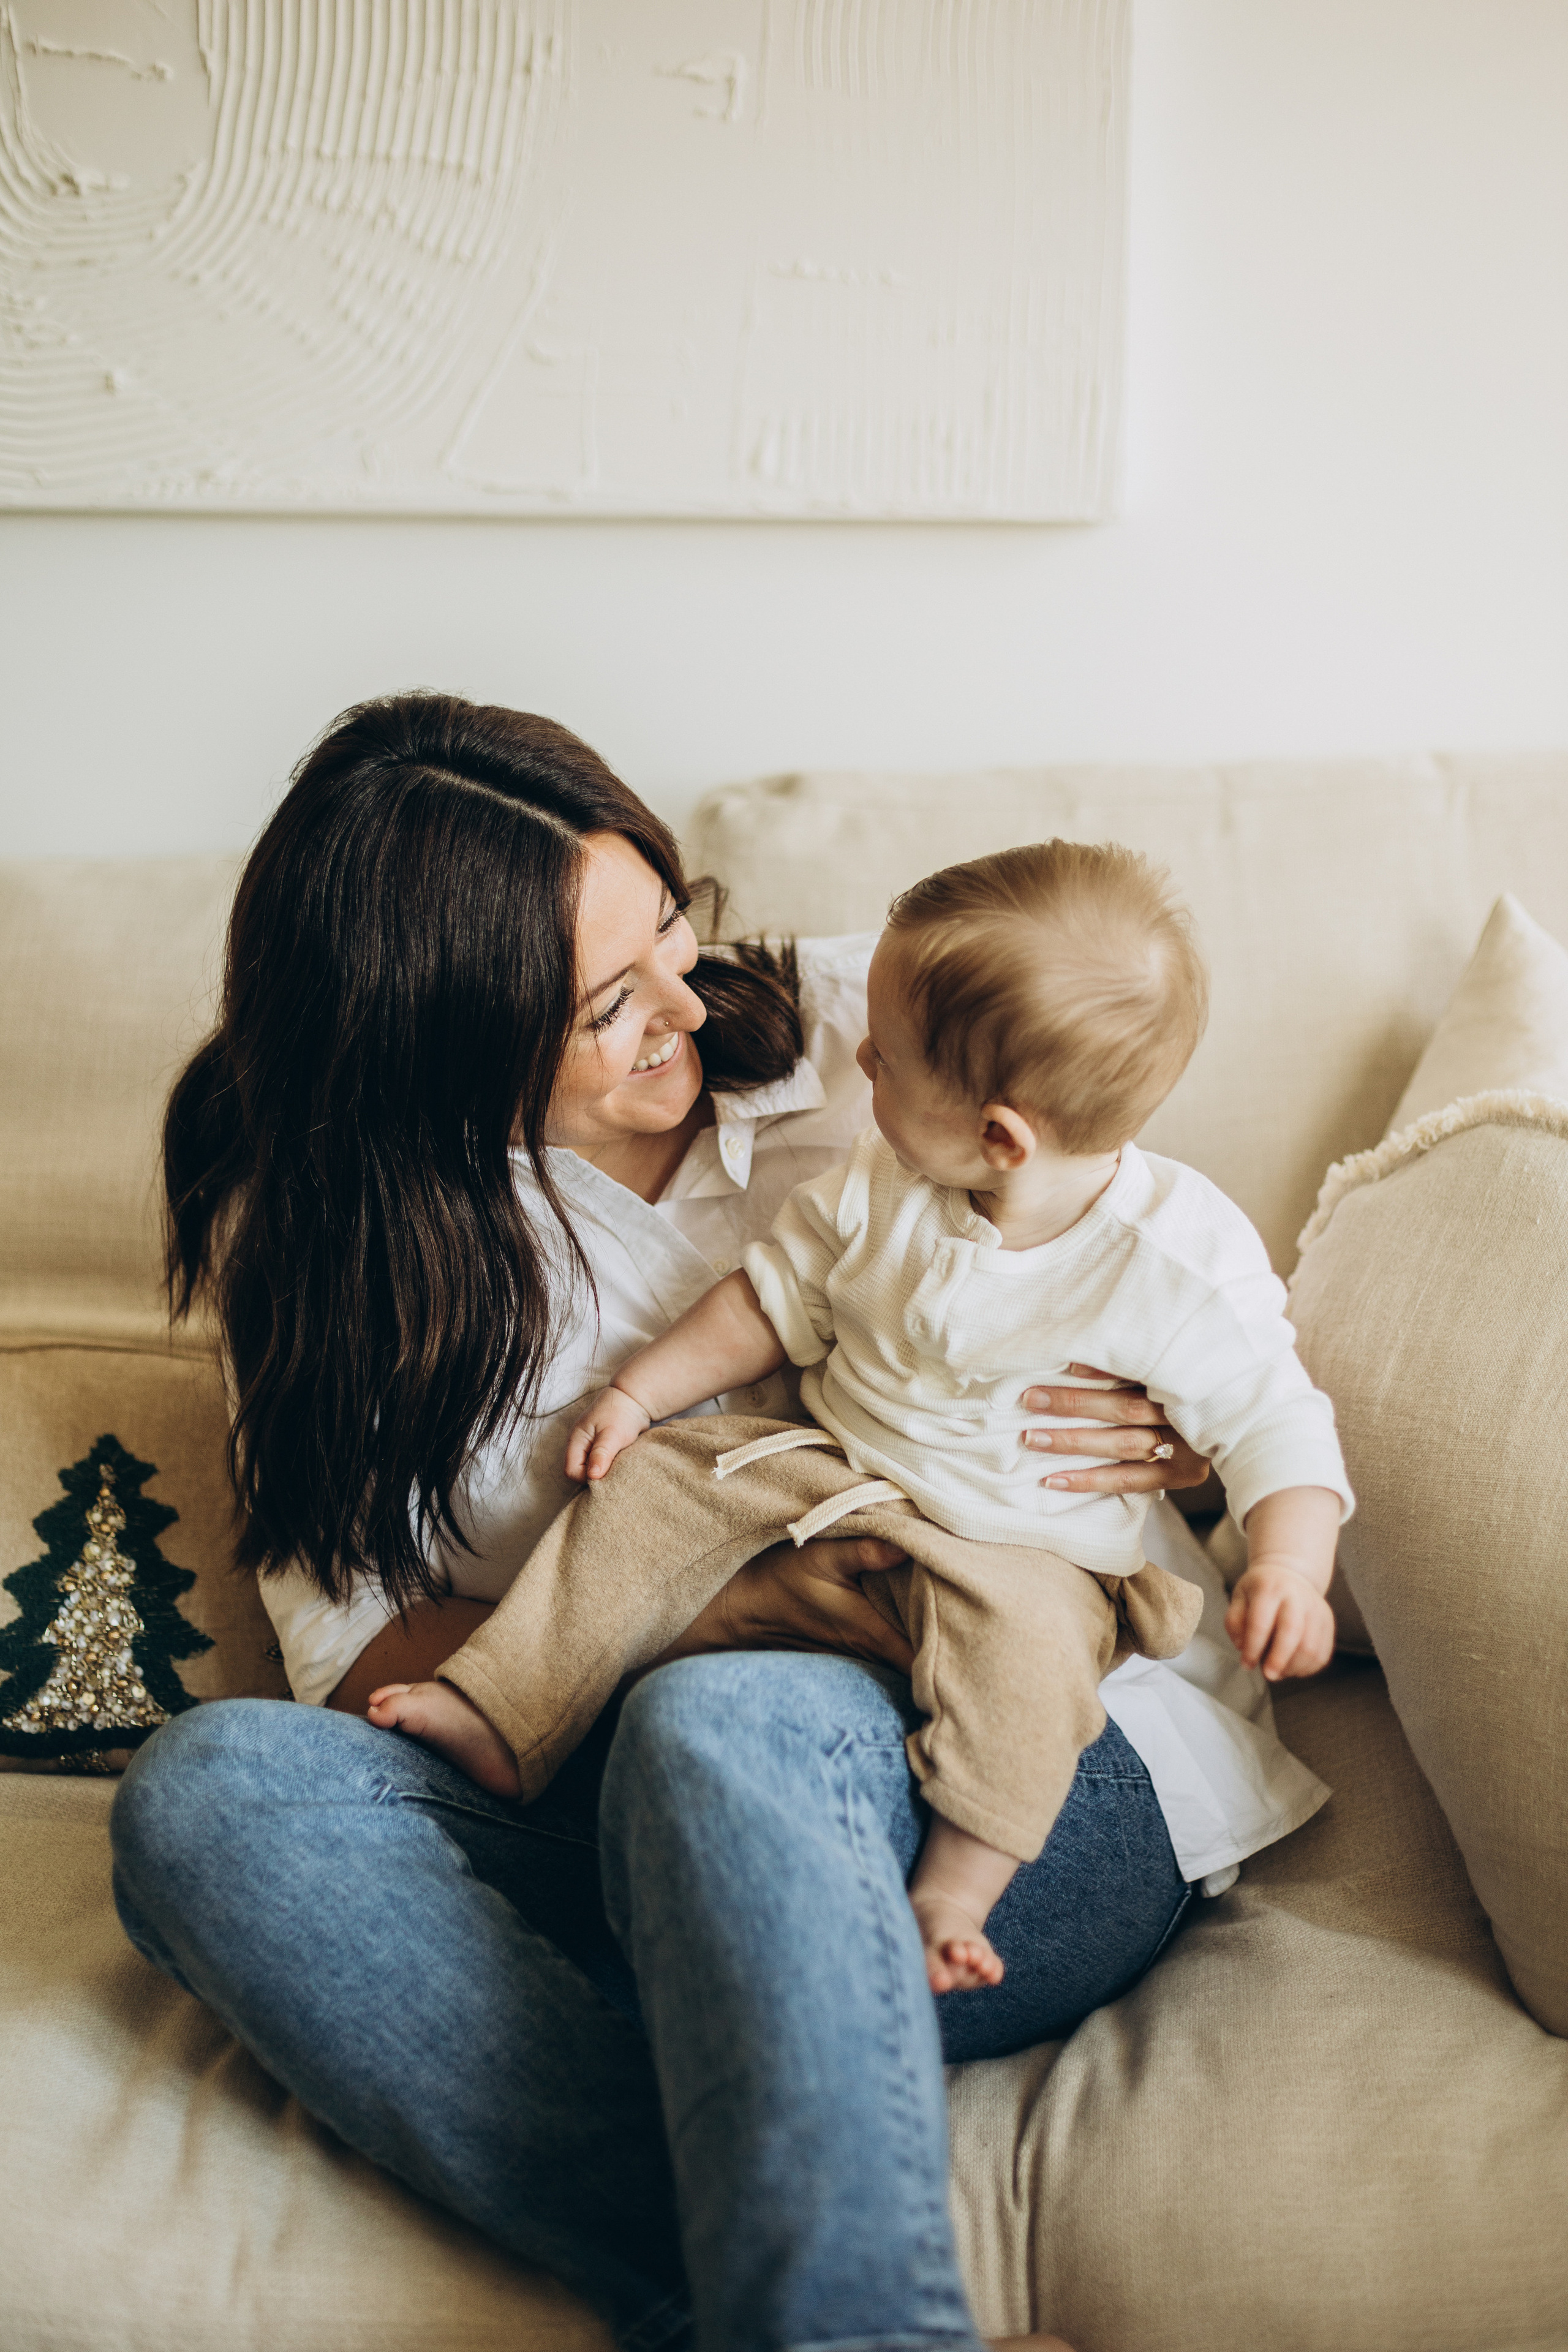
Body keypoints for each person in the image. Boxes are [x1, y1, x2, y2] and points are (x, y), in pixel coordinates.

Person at [108, 693, 1330, 2352]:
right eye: (609, 1005)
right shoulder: (323, 1256)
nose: (686, 1006)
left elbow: (1159, 1280)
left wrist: (1191, 1458)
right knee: (210, 1796)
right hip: (595, 1790)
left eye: (670, 933)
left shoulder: (879, 1027)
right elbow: (357, 1655)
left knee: (728, 1717)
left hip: (1021, 1763)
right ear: (438, 1044)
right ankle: (805, 2280)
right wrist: (715, 1609)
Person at [368, 841, 1351, 1992]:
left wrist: (1289, 1567)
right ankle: (506, 1708)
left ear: (1000, 1137)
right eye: (609, 1003)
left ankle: (955, 1893)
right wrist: (640, 1394)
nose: (860, 1058)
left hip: (1025, 1551)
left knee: (1029, 1674)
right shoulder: (889, 1181)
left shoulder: (1175, 1261)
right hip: (830, 1469)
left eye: (884, 1061)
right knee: (651, 1487)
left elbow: (1278, 1422)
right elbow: (769, 1302)